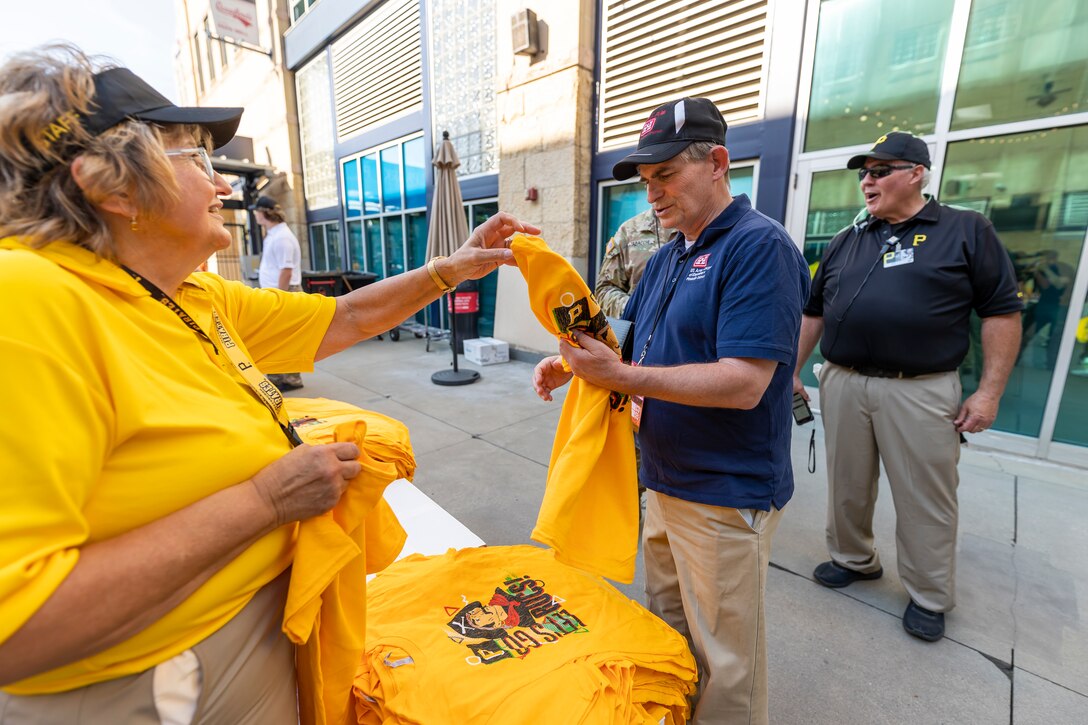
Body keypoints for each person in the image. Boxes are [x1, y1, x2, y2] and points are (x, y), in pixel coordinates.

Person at [0, 45, 536, 723]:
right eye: (194, 158)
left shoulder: (185, 293)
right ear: (113, 188)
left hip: (235, 646)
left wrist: (448, 271)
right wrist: (264, 500)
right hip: (147, 686)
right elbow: (14, 625)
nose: (222, 186)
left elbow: (344, 315)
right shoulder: (27, 300)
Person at [533, 97, 809, 724]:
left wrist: (624, 376)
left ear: (717, 162)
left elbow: (745, 382)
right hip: (661, 479)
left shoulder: (757, 248)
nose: (651, 194)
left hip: (723, 491)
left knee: (728, 662)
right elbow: (634, 339)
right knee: (668, 636)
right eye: (645, 180)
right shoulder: (666, 255)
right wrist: (578, 365)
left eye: (666, 175)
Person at [793, 131, 1022, 642]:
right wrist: (792, 368)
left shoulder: (965, 229)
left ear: (916, 172)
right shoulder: (847, 240)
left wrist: (988, 392)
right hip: (844, 382)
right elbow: (814, 311)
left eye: (879, 171)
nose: (866, 182)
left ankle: (929, 594)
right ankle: (854, 558)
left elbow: (1002, 313)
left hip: (920, 389)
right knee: (847, 484)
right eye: (862, 174)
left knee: (925, 497)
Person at [253, 194, 305, 391]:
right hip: (276, 291)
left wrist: (279, 298)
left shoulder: (282, 238)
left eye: (256, 211)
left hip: (284, 291)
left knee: (286, 338)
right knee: (275, 338)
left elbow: (286, 270)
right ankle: (277, 378)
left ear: (264, 213)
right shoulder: (274, 235)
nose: (255, 215)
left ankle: (291, 379)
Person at [594, 208, 674, 317]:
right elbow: (604, 290)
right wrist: (635, 308)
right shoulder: (629, 231)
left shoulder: (697, 227)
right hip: (639, 329)